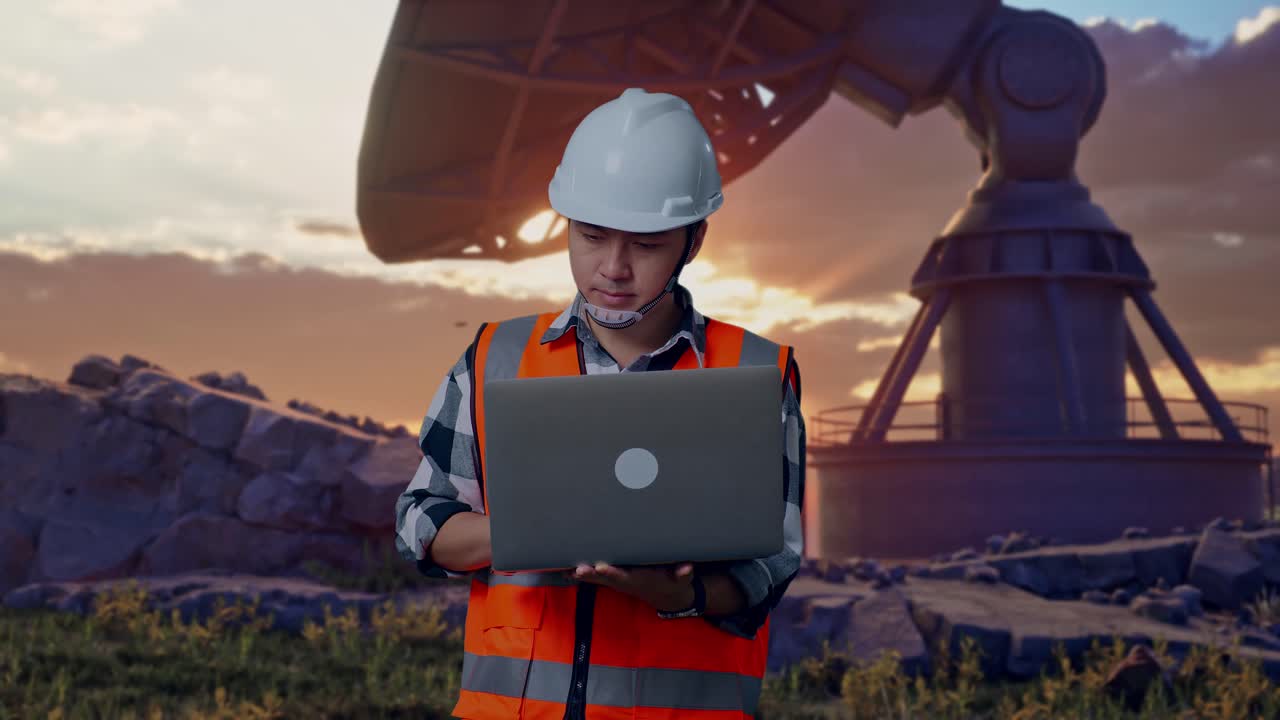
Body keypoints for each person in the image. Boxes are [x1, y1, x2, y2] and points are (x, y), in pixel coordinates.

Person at [394, 87, 806, 719]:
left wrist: (679, 594)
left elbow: (772, 562)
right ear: (566, 225)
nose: (612, 268)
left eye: (644, 245)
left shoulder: (757, 372)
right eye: (590, 237)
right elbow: (422, 520)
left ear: (692, 241)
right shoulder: (493, 357)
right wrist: (527, 537)